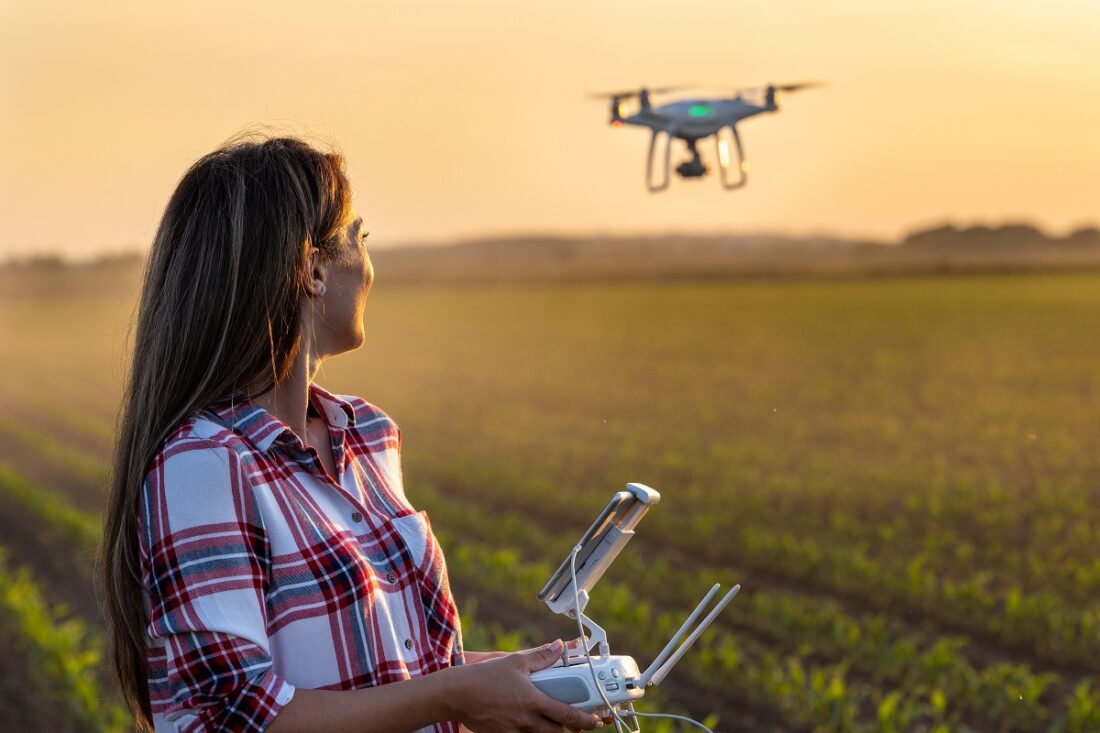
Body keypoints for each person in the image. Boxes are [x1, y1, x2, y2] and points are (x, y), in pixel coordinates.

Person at [100, 135, 604, 733]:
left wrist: (508, 681)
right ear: (312, 268)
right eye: (359, 238)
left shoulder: (366, 436)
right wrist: (454, 697)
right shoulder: (206, 465)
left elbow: (376, 675)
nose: (369, 264)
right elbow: (231, 714)